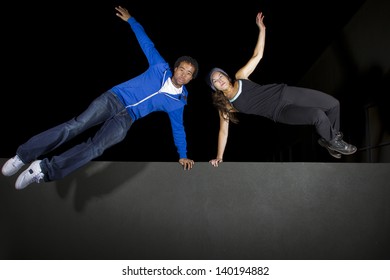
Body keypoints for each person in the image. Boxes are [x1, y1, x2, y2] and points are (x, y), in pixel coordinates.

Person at [2, 6, 198, 189]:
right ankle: (22, 155)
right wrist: (131, 20)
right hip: (113, 98)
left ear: (190, 78)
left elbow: (179, 129)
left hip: (128, 118)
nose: (183, 74)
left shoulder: (178, 103)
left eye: (188, 73)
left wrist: (183, 155)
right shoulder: (159, 67)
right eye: (181, 69)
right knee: (75, 126)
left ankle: (42, 169)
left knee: (96, 148)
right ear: (175, 68)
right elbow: (147, 43)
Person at [207, 11, 356, 167]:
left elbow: (257, 55)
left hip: (286, 93)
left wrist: (262, 30)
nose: (219, 80)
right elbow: (223, 132)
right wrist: (219, 156)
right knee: (318, 116)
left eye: (220, 76)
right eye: (215, 81)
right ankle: (333, 141)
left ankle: (332, 140)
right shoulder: (226, 106)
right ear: (215, 87)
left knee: (333, 104)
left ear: (226, 76)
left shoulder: (240, 76)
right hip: (280, 112)